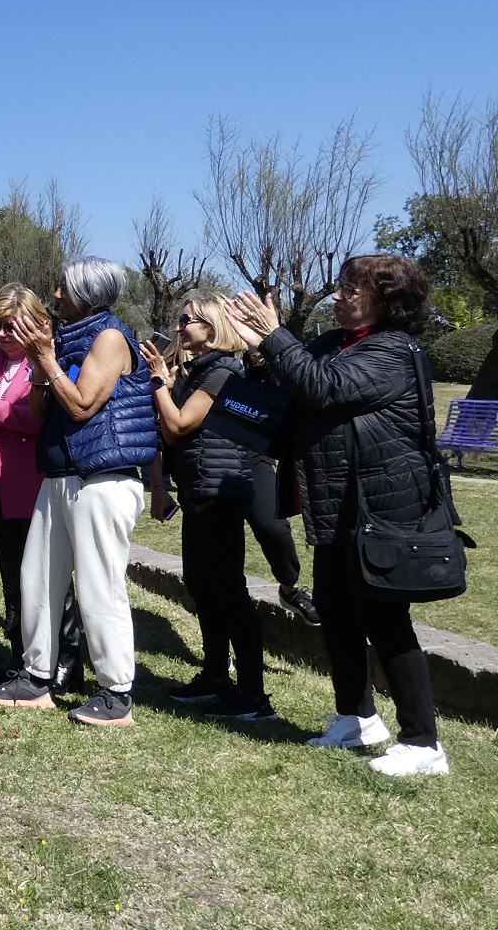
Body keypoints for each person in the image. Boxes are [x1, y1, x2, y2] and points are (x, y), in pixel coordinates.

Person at [226, 255, 451, 776]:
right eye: (341, 287)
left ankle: (423, 743)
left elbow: (328, 388)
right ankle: (357, 717)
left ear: (387, 298)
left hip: (382, 506)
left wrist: (275, 336)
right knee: (337, 611)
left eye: (352, 288)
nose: (338, 296)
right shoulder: (335, 344)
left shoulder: (393, 351)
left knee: (385, 620)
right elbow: (299, 379)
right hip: (336, 505)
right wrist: (261, 349)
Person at [0, 256, 159, 727]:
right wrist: (44, 364)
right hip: (60, 477)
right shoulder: (64, 338)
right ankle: (37, 676)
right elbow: (44, 411)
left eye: (63, 288)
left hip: (102, 480)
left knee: (100, 587)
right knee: (36, 577)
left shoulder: (110, 338)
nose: (55, 295)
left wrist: (45, 358)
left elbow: (82, 405)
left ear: (87, 292)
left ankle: (116, 691)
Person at [140, 294, 275, 720]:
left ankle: (254, 696)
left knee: (229, 592)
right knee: (202, 586)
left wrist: (161, 382)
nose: (179, 327)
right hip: (198, 489)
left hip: (220, 492)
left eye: (187, 320)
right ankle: (215, 676)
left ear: (212, 327)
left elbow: (179, 425)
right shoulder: (197, 370)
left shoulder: (223, 371)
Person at [0, 285, 82, 684]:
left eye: (11, 326)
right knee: (13, 578)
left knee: (50, 577)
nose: (3, 334)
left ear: (33, 322)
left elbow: (41, 420)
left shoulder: (45, 361)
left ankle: (68, 661)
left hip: (31, 482)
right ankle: (21, 655)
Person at [238, 347, 322, 627]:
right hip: (210, 460)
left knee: (272, 526)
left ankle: (289, 588)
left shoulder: (260, 370)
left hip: (252, 454)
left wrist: (259, 360)